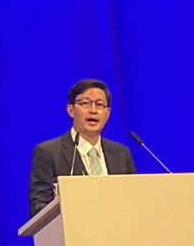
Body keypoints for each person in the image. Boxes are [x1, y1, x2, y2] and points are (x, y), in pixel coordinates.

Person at [27, 78, 136, 218]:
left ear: (107, 113)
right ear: (71, 110)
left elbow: (132, 200)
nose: (93, 110)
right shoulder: (49, 153)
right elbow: (38, 207)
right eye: (85, 103)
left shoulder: (121, 154)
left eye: (100, 104)